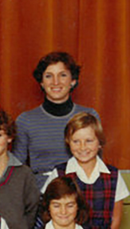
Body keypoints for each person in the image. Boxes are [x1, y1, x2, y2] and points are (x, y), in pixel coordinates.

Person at [12, 51, 100, 188]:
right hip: (40, 196)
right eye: (49, 76)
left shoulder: (89, 116)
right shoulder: (25, 121)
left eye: (62, 75)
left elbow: (96, 164)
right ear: (41, 82)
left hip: (80, 193)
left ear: (73, 81)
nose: (55, 82)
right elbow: (17, 168)